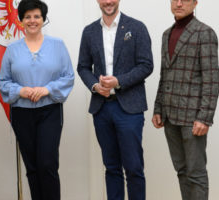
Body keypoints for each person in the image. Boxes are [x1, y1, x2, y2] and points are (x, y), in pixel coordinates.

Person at [0, 0, 74, 199]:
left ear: (43, 19)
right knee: (31, 166)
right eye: (28, 17)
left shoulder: (57, 45)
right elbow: (3, 81)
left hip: (50, 111)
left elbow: (68, 77)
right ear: (21, 20)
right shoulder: (12, 49)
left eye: (37, 16)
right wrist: (20, 91)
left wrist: (47, 89)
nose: (32, 21)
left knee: (47, 164)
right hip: (21, 113)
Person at [77, 0, 153, 199]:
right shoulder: (89, 31)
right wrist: (95, 86)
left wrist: (118, 81)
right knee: (111, 168)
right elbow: (83, 67)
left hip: (129, 109)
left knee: (134, 168)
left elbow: (146, 65)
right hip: (102, 109)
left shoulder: (137, 27)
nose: (108, 2)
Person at [152, 0, 219, 199]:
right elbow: (164, 75)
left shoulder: (204, 33)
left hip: (193, 118)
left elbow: (212, 79)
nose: (179, 3)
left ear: (195, 2)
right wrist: (158, 108)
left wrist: (205, 118)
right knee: (181, 171)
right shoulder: (166, 34)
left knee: (196, 173)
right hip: (170, 116)